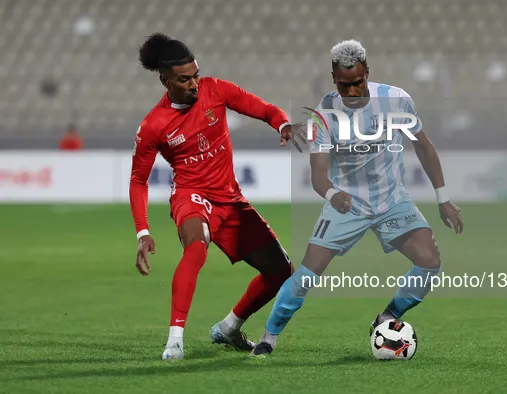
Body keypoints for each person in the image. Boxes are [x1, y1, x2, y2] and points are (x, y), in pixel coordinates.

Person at [250, 40, 463, 357]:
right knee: (307, 275)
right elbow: (319, 176)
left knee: (430, 261)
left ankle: (388, 318)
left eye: (358, 83)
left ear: (368, 73)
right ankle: (269, 338)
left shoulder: (395, 100)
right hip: (346, 202)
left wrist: (443, 197)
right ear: (333, 78)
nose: (351, 92)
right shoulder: (324, 116)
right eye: (344, 85)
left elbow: (423, 146)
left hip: (392, 200)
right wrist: (334, 195)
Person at [130, 33, 305, 360]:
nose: (194, 84)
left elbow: (264, 109)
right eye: (184, 79)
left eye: (196, 75)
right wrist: (143, 231)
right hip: (190, 195)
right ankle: (175, 340)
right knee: (197, 246)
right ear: (164, 80)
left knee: (281, 272)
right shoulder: (154, 125)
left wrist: (282, 124)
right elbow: (138, 180)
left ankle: (229, 327)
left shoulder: (216, 90)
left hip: (231, 200)